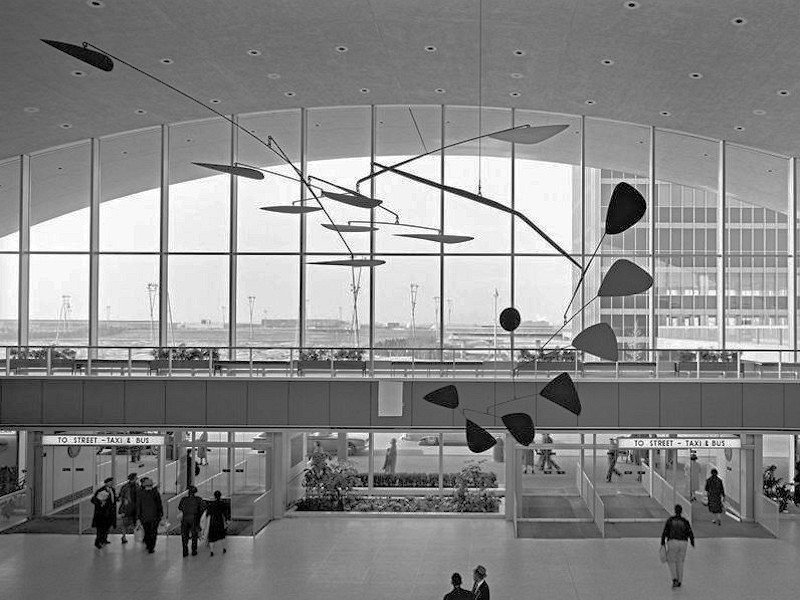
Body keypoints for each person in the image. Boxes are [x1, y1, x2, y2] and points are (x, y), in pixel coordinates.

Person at [660, 504, 695, 588]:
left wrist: (662, 542)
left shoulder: (670, 520)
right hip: (683, 542)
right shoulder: (685, 521)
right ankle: (680, 580)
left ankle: (674, 578)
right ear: (681, 511)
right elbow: (690, 532)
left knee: (671, 561)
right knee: (680, 562)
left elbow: (665, 531)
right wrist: (692, 542)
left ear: (675, 511)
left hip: (672, 541)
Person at [136, 477, 163, 554]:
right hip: (155, 517)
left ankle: (148, 545)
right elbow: (159, 505)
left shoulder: (140, 493)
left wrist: (138, 517)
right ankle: (151, 547)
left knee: (147, 531)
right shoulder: (155, 493)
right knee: (153, 532)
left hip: (144, 517)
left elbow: (138, 506)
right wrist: (161, 514)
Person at [90, 477, 117, 549]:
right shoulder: (100, 490)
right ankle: (97, 542)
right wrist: (100, 503)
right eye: (110, 482)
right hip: (102, 514)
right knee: (100, 529)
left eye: (112, 482)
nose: (111, 483)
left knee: (107, 527)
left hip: (109, 513)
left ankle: (104, 539)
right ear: (106, 483)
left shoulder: (112, 490)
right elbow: (93, 500)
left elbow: (112, 500)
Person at [178, 485, 205, 557]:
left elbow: (180, 508)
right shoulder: (198, 499)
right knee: (194, 535)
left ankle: (185, 551)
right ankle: (194, 550)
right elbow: (202, 508)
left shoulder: (183, 499)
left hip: (185, 519)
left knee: (184, 535)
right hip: (194, 519)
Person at [205, 490, 230, 557]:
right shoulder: (222, 504)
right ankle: (224, 548)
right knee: (221, 535)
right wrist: (227, 520)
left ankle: (211, 551)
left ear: (214, 496)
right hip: (219, 521)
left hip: (212, 522)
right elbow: (225, 513)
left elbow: (207, 514)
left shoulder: (211, 504)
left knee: (212, 537)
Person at [117, 472, 139, 544]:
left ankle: (136, 536)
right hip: (127, 507)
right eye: (136, 477)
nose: (137, 478)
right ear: (133, 478)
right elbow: (121, 496)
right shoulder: (125, 487)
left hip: (135, 507)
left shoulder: (137, 486)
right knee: (125, 523)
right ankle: (123, 536)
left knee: (135, 522)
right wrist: (124, 500)